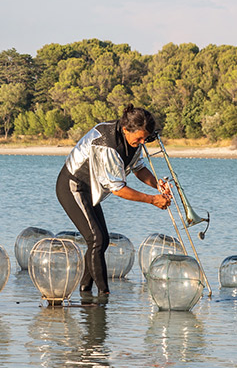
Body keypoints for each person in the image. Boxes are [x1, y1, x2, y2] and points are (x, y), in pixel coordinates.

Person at [56, 105, 171, 296]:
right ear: (126, 129)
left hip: (89, 189)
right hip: (72, 186)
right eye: (139, 138)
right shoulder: (108, 145)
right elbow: (118, 189)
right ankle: (104, 296)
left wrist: (158, 186)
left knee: (102, 240)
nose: (142, 142)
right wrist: (152, 200)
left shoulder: (133, 142)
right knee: (96, 239)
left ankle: (85, 290)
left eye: (145, 138)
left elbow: (138, 169)